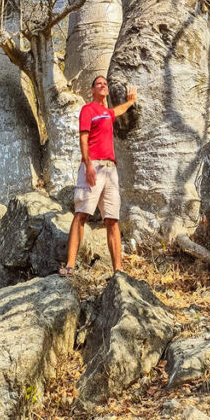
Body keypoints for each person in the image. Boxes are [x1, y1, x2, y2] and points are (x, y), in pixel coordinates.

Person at [59, 74, 137, 275]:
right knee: (82, 214)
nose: (103, 85)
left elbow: (116, 111)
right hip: (93, 166)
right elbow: (83, 139)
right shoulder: (88, 110)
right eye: (98, 84)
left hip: (111, 169)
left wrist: (130, 102)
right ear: (92, 90)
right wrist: (88, 165)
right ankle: (70, 265)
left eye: (105, 83)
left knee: (112, 219)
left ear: (107, 90)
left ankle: (118, 270)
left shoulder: (106, 112)